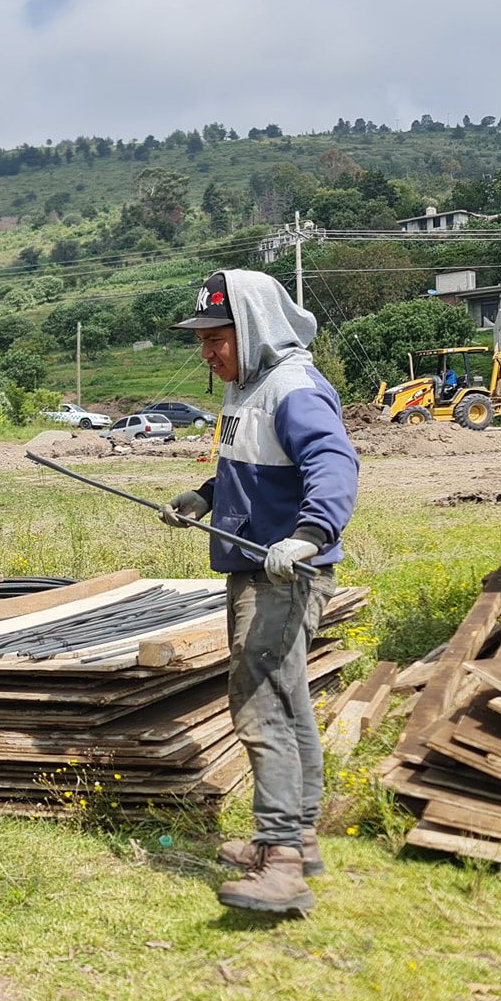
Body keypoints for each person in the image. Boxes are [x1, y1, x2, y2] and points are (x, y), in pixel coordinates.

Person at [162, 270, 358, 916]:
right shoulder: (250, 389)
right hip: (255, 565)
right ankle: (297, 836)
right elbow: (253, 471)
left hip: (284, 573)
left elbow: (334, 463)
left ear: (252, 330)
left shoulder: (293, 388)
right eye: (203, 341)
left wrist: (311, 533)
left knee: (260, 701)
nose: (209, 353)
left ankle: (279, 861)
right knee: (289, 695)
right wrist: (206, 499)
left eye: (218, 338)